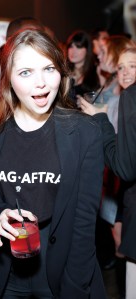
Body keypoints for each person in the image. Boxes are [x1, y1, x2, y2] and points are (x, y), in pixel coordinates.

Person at [0, 29, 106, 299]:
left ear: (61, 72)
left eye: (49, 68)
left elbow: (84, 222)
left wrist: (74, 289)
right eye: (26, 72)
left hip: (62, 270)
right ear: (8, 80)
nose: (41, 83)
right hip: (0, 271)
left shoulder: (85, 133)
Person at [77, 47, 136, 299]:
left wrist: (100, 120)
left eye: (132, 65)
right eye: (120, 67)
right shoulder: (121, 96)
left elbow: (125, 166)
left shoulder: (130, 97)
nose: (124, 72)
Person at [0, 16, 45, 111]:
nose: (40, 40)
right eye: (31, 34)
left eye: (42, 35)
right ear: (10, 41)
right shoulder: (7, 77)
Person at [66, 30, 100, 102]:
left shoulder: (97, 71)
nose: (73, 51)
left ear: (87, 50)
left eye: (78, 47)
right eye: (71, 46)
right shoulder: (63, 72)